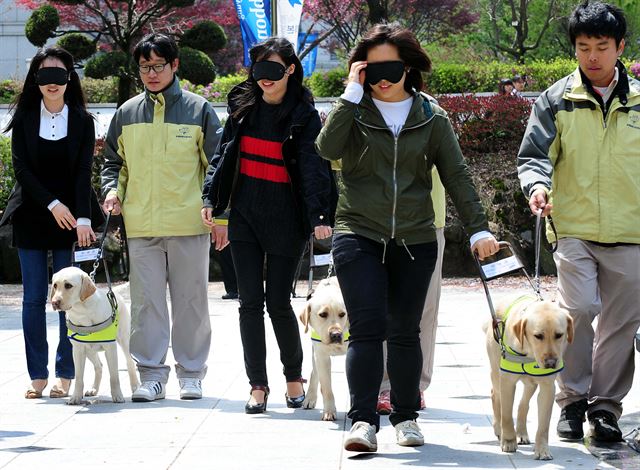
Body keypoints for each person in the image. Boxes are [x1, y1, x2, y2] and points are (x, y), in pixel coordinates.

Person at [315, 23, 499, 452]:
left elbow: (456, 175)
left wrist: (479, 227)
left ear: (409, 67)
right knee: (365, 328)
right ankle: (361, 422)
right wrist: (349, 94)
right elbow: (325, 148)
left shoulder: (432, 117)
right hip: (357, 232)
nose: (381, 77)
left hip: (416, 236)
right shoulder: (354, 111)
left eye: (391, 67)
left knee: (404, 330)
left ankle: (405, 417)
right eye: (371, 68)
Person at [518, 1, 640, 442]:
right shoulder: (556, 100)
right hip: (573, 230)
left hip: (632, 234)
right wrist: (536, 186)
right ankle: (572, 402)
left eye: (601, 47)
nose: (591, 56)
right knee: (580, 311)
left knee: (620, 324)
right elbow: (533, 156)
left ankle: (605, 407)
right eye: (583, 47)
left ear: (620, 47)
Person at [201, 37, 336, 415]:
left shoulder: (305, 116)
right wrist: (211, 197)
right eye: (258, 69)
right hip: (245, 214)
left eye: (273, 70)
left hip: (285, 218)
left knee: (278, 302)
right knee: (248, 303)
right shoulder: (242, 108)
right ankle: (257, 385)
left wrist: (319, 217)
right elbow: (223, 155)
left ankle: (294, 378)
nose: (265, 79)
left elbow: (314, 168)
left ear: (290, 70)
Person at [101, 33, 222, 402]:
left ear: (175, 65)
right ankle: (151, 375)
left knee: (191, 302)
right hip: (141, 226)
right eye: (144, 67)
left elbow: (217, 167)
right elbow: (113, 163)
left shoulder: (199, 109)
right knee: (145, 303)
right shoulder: (126, 112)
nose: (151, 74)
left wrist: (220, 217)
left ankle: (191, 374)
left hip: (189, 223)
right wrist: (111, 192)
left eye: (158, 66)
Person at [0, 47, 101, 399]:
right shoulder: (26, 116)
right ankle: (37, 375)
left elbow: (83, 171)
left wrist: (83, 218)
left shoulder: (83, 121)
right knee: (34, 299)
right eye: (44, 75)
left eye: (59, 74)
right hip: (31, 213)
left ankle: (66, 375)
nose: (52, 83)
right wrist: (53, 204)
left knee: (69, 300)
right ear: (35, 80)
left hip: (71, 219)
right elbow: (22, 171)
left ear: (70, 78)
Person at [377, 169, 445, 415]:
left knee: (425, 308)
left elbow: (451, 166)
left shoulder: (436, 127)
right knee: (381, 306)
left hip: (428, 220)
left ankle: (415, 385)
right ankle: (385, 385)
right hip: (377, 219)